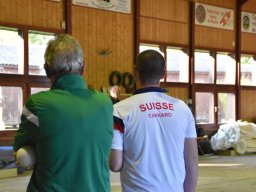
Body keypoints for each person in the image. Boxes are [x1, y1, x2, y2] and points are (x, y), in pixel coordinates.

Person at [13, 34, 113, 192]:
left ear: (46, 70)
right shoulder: (106, 104)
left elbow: (19, 147)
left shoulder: (35, 105)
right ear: (84, 67)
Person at [109, 50, 198, 192]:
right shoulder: (183, 109)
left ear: (135, 71)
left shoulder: (119, 110)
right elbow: (192, 161)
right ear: (163, 73)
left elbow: (115, 165)